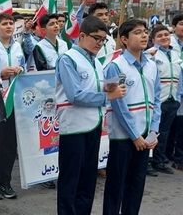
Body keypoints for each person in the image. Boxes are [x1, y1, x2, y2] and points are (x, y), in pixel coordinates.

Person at [55, 16, 127, 215]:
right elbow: (75, 95)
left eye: (103, 39)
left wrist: (112, 86)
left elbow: (98, 88)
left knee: (88, 180)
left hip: (93, 126)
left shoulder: (95, 62)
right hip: (74, 128)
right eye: (96, 38)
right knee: (71, 181)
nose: (99, 43)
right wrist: (107, 96)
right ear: (82, 35)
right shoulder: (68, 59)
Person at [102, 19, 161, 215]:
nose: (144, 35)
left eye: (145, 32)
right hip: (123, 137)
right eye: (137, 32)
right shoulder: (114, 67)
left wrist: (153, 131)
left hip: (146, 137)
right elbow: (116, 103)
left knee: (136, 185)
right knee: (116, 186)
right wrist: (135, 135)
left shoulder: (152, 65)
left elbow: (157, 99)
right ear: (124, 39)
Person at [0, 13, 25, 200]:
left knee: (10, 144)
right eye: (5, 24)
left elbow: (24, 65)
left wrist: (21, 70)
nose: (9, 26)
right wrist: (0, 73)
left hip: (14, 101)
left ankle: (5, 182)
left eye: (11, 23)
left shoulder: (18, 46)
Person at [146, 25, 181, 174]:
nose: (164, 37)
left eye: (166, 34)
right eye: (159, 36)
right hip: (157, 100)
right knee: (151, 130)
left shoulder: (175, 54)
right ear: (153, 39)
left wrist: (178, 97)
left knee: (164, 132)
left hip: (172, 99)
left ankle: (159, 161)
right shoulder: (150, 54)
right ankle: (146, 162)